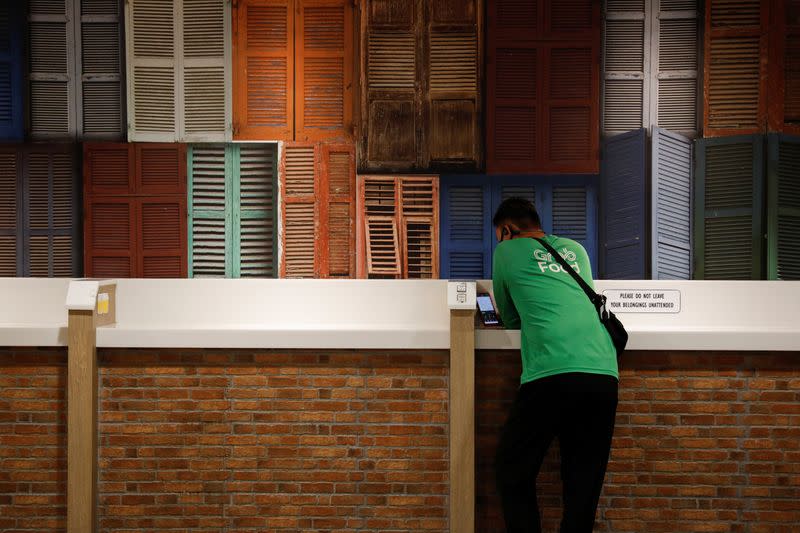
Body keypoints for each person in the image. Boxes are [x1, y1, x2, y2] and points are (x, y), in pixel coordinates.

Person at [491, 197, 619, 533]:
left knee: (511, 469)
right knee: (583, 481)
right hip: (602, 370)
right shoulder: (576, 248)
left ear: (507, 230)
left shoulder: (505, 252)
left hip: (552, 370)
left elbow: (509, 317)